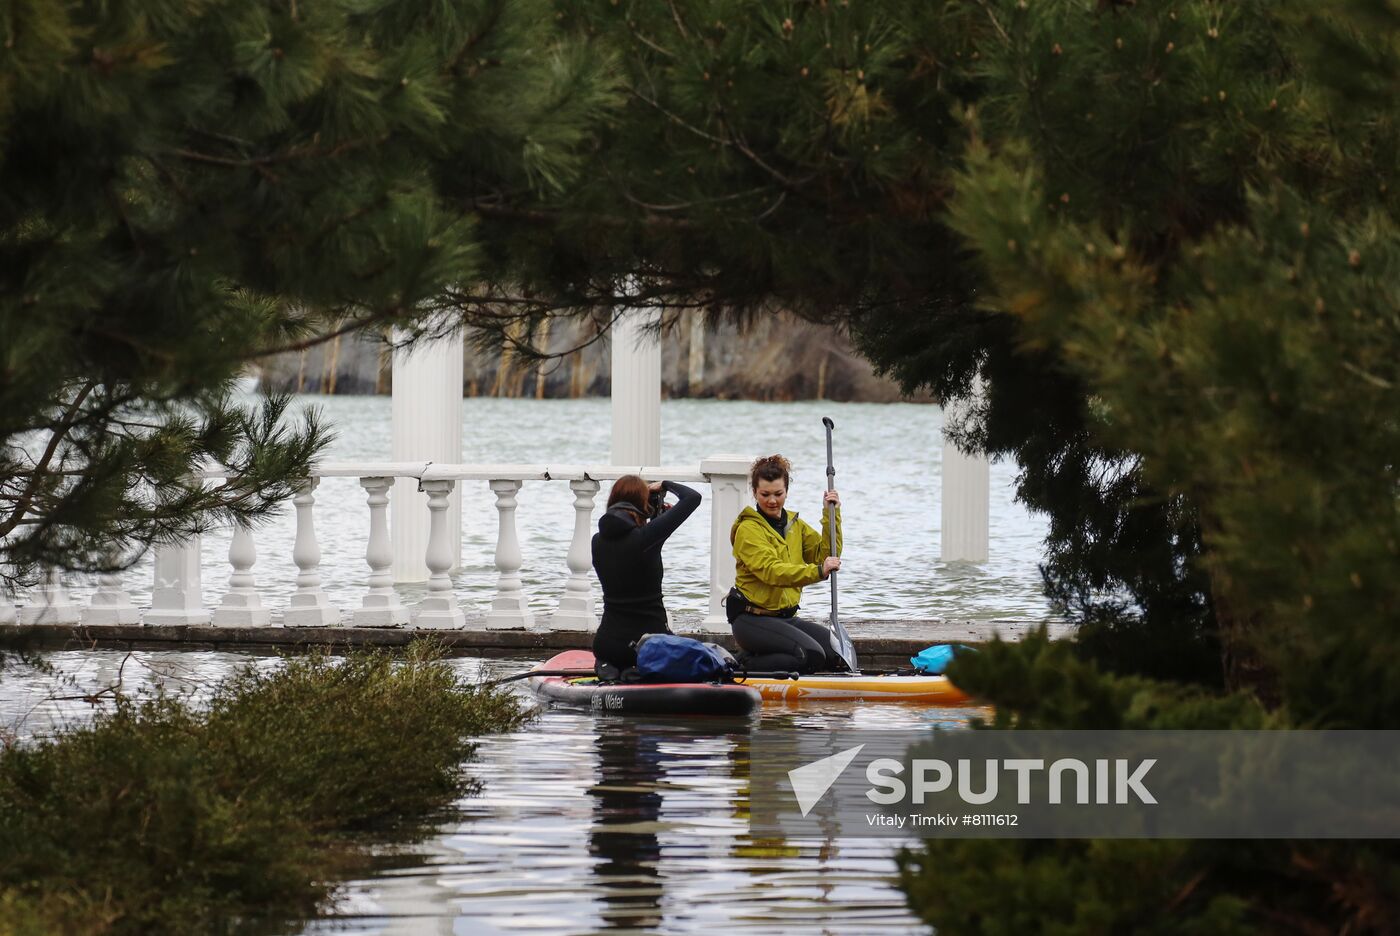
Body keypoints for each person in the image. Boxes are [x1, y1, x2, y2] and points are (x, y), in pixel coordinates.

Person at [728, 454, 845, 673]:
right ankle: (741, 666)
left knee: (835, 653)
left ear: (787, 492)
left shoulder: (795, 525)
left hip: (786, 618)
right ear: (754, 493)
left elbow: (825, 555)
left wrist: (832, 514)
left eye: (778, 494)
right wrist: (819, 571)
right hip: (751, 619)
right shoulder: (748, 530)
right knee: (810, 656)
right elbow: (772, 572)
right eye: (765, 494)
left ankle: (761, 656)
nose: (772, 500)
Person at [591, 474, 701, 676]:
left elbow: (631, 556)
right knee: (702, 656)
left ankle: (613, 671)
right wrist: (666, 484)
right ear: (642, 505)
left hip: (607, 645)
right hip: (649, 645)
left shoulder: (596, 541)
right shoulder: (646, 538)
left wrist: (651, 516)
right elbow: (692, 498)